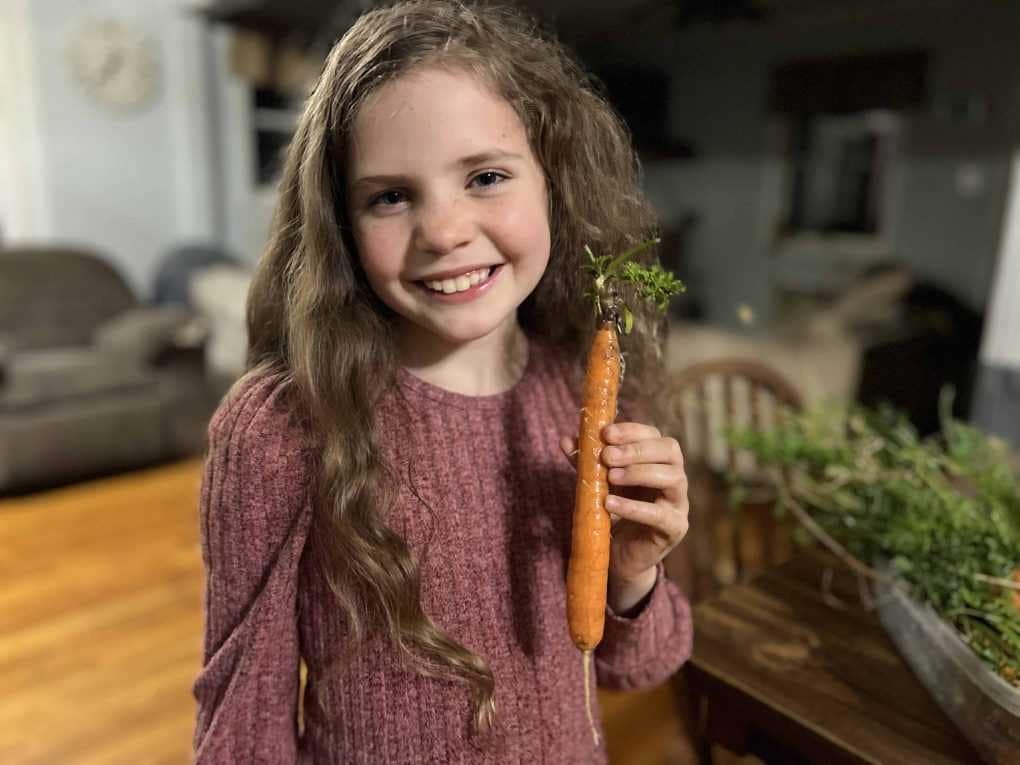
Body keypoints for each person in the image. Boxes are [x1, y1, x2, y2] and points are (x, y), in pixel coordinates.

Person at [192, 2, 693, 762]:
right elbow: (242, 724)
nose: (444, 231)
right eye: (390, 196)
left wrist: (633, 573)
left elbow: (638, 666)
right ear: (340, 224)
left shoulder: (589, 392)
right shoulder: (283, 426)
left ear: (552, 179)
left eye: (485, 176)